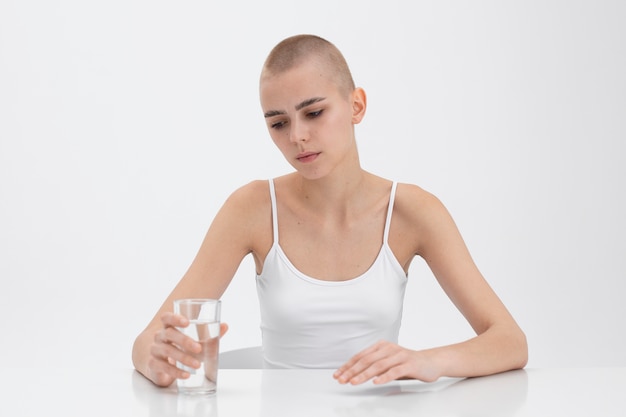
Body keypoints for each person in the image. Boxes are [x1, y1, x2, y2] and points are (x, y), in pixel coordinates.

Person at [132, 34, 528, 388]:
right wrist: (159, 362)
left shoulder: (412, 210)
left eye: (314, 113)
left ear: (356, 106)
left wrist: (430, 361)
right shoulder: (251, 209)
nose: (297, 136)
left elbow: (509, 341)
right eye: (278, 123)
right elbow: (146, 342)